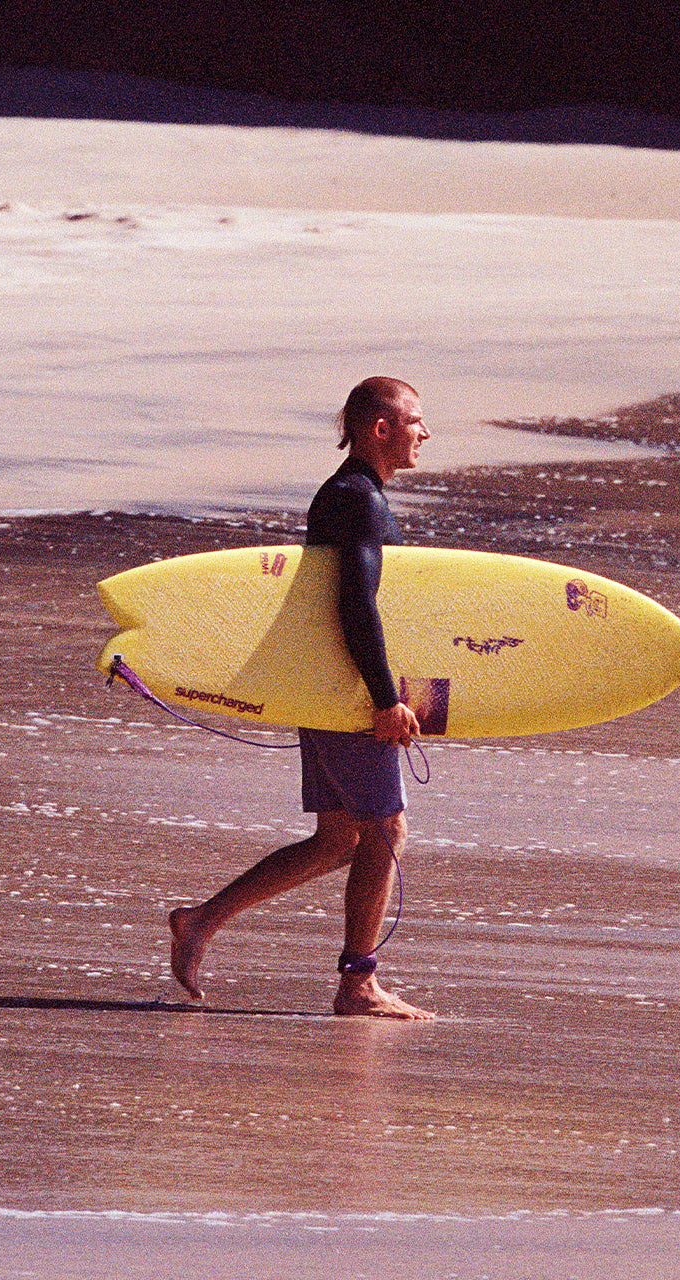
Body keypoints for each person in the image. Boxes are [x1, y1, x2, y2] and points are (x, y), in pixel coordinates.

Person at [168, 377, 435, 1020]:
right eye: (416, 421)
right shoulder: (358, 500)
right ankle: (358, 984)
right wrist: (383, 698)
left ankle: (199, 921)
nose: (425, 433)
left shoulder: (348, 493)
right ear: (381, 428)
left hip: (323, 684)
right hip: (347, 690)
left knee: (338, 839)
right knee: (386, 830)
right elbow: (355, 603)